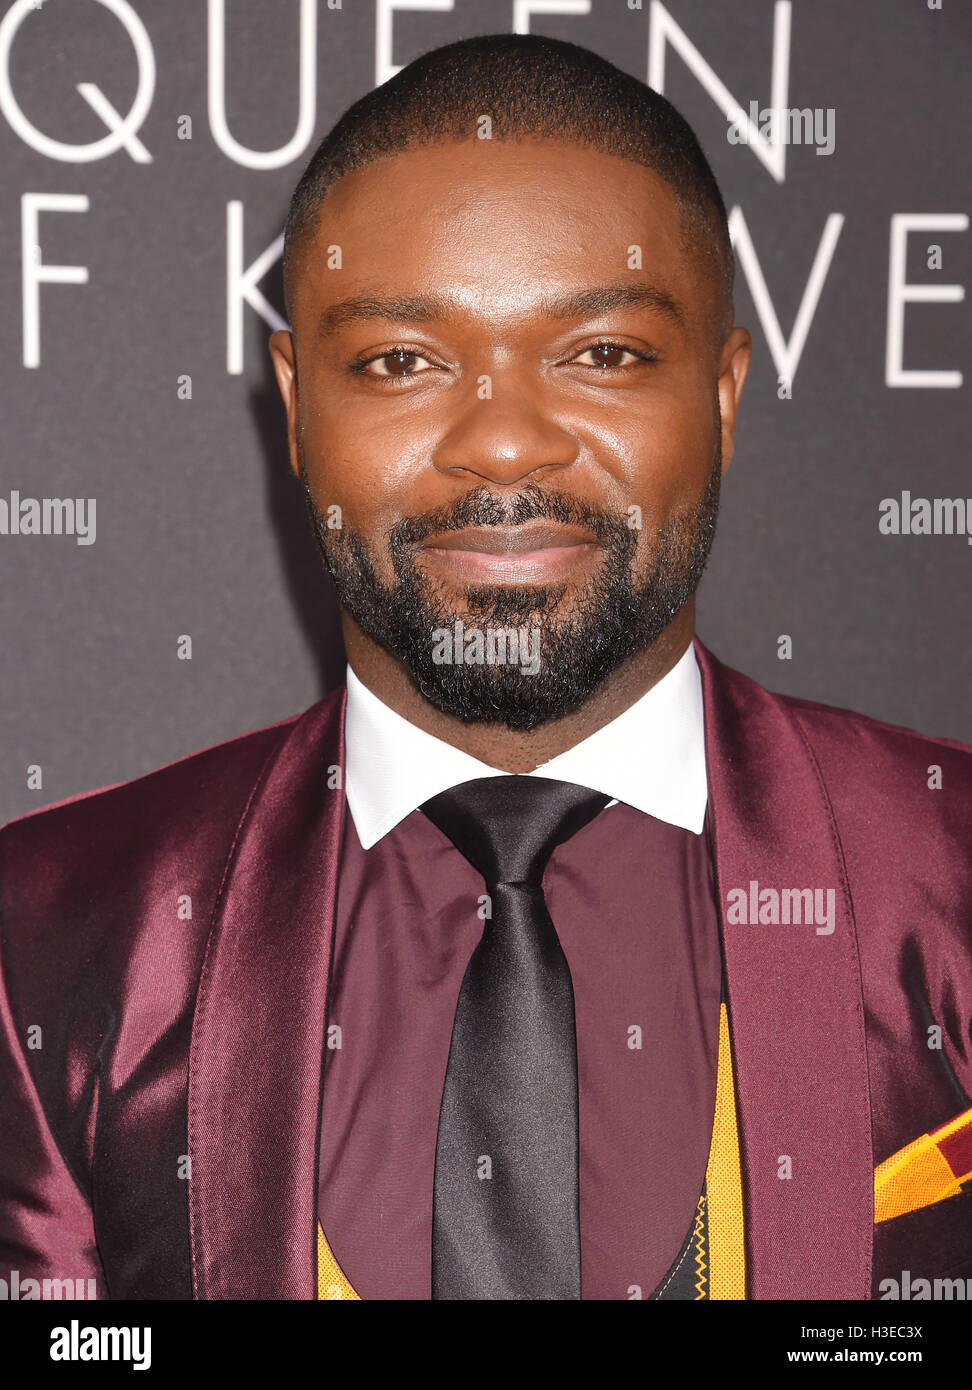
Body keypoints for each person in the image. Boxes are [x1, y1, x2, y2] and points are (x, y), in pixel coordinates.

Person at [1, 34, 970, 1303]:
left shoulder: (944, 877)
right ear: (295, 405)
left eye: (603, 353)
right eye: (402, 361)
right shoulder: (55, 932)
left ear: (724, 393)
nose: (505, 442)